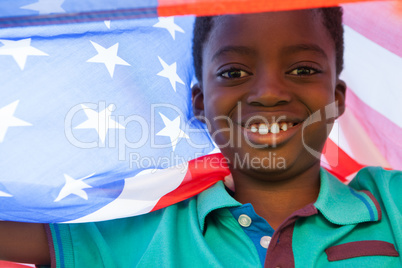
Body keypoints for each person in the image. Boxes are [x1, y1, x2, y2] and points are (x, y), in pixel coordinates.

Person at [0, 7, 401, 268]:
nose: (269, 92)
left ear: (335, 98)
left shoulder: (390, 204)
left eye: (302, 70)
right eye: (233, 72)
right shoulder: (134, 224)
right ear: (199, 103)